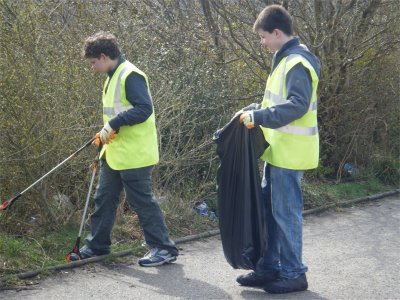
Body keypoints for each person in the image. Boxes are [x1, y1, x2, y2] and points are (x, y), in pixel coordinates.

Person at [72, 32, 178, 267]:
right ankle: (98, 245)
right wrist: (105, 132)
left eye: (92, 62)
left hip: (136, 155)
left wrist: (112, 124)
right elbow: (118, 114)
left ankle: (164, 248)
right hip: (114, 153)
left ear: (103, 56)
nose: (92, 67)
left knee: (141, 201)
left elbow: (144, 109)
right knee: (104, 198)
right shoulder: (112, 75)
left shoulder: (130, 75)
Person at [237, 5, 321, 294]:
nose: (262, 43)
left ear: (276, 32)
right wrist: (255, 109)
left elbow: (297, 105)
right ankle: (270, 267)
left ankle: (294, 273)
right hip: (277, 150)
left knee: (285, 215)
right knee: (270, 214)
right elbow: (278, 103)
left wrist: (259, 118)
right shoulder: (283, 58)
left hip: (290, 153)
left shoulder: (297, 62)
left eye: (263, 37)